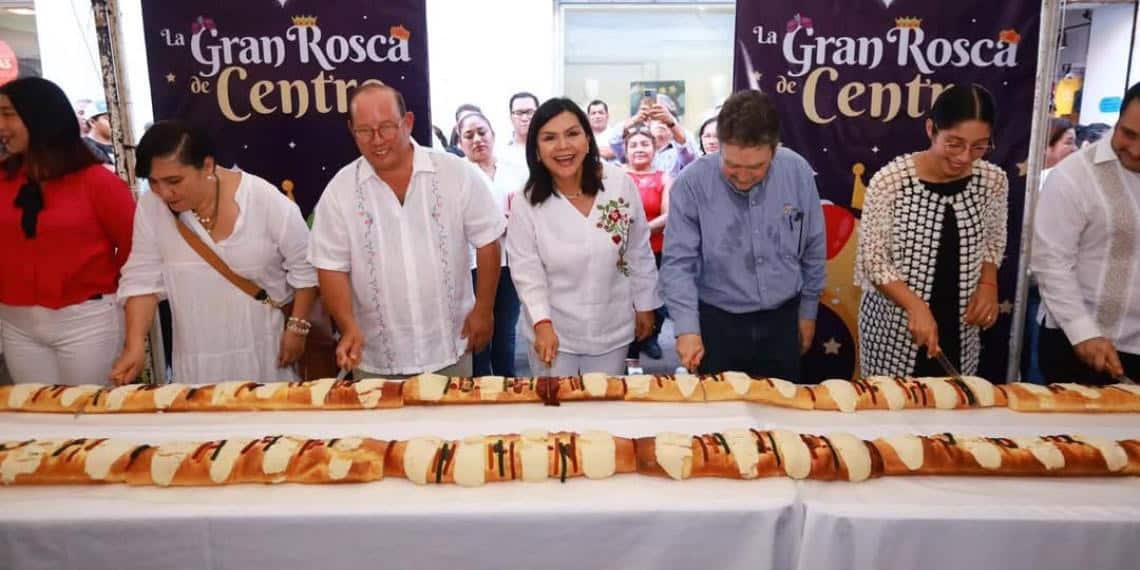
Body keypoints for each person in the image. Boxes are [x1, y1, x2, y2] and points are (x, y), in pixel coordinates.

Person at [310, 85, 506, 378]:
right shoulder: (340, 191)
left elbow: (488, 240)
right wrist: (348, 325)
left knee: (452, 424)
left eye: (387, 127)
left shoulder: (455, 173)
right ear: (352, 131)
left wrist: (484, 308)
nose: (377, 140)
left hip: (450, 347)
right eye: (364, 130)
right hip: (374, 356)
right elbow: (330, 265)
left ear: (408, 122)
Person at [110, 121, 318, 384]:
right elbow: (142, 279)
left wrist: (297, 328)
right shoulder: (153, 207)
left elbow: (306, 266)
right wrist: (135, 344)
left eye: (174, 181)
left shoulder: (262, 199)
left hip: (264, 354)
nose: (163, 192)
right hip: (196, 362)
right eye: (153, 182)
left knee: (266, 424)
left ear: (207, 166)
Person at [661, 90, 825, 381]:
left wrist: (808, 311)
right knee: (720, 420)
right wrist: (687, 328)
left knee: (781, 415)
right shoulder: (691, 185)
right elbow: (678, 265)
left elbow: (813, 246)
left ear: (774, 150)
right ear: (719, 145)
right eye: (733, 165)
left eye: (756, 167)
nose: (744, 176)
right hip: (717, 323)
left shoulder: (797, 171)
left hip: (783, 320)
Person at [856, 84, 1008, 378]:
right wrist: (915, 306)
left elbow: (993, 239)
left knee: (953, 408)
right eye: (954, 143)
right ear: (931, 129)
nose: (965, 157)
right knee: (893, 410)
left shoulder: (993, 181)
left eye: (979, 146)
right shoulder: (891, 182)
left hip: (960, 326)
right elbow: (873, 261)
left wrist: (988, 284)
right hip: (894, 331)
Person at [507, 98, 661, 376]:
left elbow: (638, 249)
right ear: (537, 151)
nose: (563, 146)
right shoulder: (526, 201)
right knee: (556, 412)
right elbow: (526, 270)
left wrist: (645, 304)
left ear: (588, 140)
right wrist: (542, 323)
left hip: (611, 327)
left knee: (602, 410)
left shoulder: (618, 185)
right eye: (550, 138)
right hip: (552, 330)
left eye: (572, 134)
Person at [0, 77, 135, 385]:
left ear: (40, 116)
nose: (1, 124)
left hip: (86, 320)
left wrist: (105, 291)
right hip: (15, 321)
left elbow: (136, 251)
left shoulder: (97, 182)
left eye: (8, 113)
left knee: (89, 417)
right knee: (38, 417)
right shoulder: (3, 181)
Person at [1032, 82, 1140, 384]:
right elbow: (1051, 262)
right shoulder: (1075, 175)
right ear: (1117, 121)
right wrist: (1083, 332)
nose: (1135, 149)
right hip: (1079, 343)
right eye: (1128, 134)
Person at [457, 111, 527, 376]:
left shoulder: (515, 172)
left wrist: (516, 220)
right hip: (473, 264)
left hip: (511, 260)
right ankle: (481, 387)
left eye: (482, 132)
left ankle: (508, 383)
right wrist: (497, 225)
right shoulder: (460, 175)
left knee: (506, 328)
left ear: (493, 135)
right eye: (469, 135)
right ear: (461, 142)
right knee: (479, 327)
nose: (477, 139)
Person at [1021, 117, 1079, 382]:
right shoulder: (1051, 182)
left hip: (1052, 295)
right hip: (1040, 290)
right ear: (1047, 147)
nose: (1075, 149)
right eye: (1068, 142)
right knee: (1036, 369)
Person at [622, 123, 672, 361]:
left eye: (644, 144)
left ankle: (650, 339)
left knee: (655, 301)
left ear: (654, 148)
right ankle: (630, 350)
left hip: (656, 249)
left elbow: (668, 214)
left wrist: (642, 230)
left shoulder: (664, 177)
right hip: (623, 252)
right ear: (625, 150)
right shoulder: (617, 177)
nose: (639, 149)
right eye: (633, 145)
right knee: (627, 302)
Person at [609, 94, 695, 179]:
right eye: (656, 118)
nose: (661, 123)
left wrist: (671, 123)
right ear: (647, 122)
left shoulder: (681, 143)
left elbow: (690, 159)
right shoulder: (637, 145)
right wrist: (634, 119)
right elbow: (614, 141)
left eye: (664, 119)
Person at [499, 92, 538, 168]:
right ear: (511, 117)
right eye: (518, 113)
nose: (524, 118)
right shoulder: (500, 152)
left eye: (530, 112)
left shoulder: (547, 147)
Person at [82, 100, 114, 165]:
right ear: (92, 122)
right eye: (108, 119)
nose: (114, 122)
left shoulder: (122, 146)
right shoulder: (84, 146)